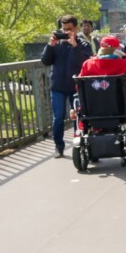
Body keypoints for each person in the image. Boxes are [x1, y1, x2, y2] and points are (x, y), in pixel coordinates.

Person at [41, 15, 92, 157]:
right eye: (64, 29)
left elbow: (84, 64)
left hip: (76, 87)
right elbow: (45, 61)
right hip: (57, 86)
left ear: (75, 28)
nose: (66, 32)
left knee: (79, 117)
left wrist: (74, 45)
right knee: (58, 118)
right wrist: (50, 45)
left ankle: (81, 144)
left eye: (69, 29)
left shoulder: (83, 45)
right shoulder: (56, 44)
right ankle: (58, 146)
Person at [78, 36, 126, 100]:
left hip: (93, 107)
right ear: (118, 49)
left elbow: (78, 86)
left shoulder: (87, 65)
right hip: (122, 107)